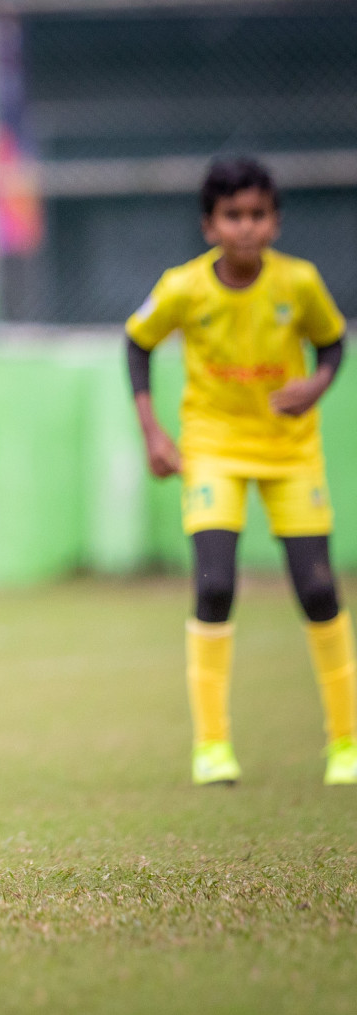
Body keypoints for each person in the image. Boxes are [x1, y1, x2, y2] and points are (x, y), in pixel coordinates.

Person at [126, 156, 356, 787]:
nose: (246, 227)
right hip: (214, 446)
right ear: (210, 225)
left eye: (257, 214)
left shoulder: (299, 283)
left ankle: (346, 744)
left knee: (316, 590)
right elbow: (138, 342)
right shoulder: (182, 288)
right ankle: (212, 747)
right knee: (216, 585)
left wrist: (317, 382)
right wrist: (153, 430)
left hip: (289, 448)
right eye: (233, 215)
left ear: (275, 221)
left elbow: (333, 339)